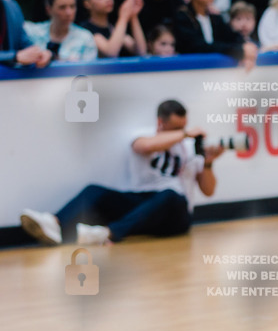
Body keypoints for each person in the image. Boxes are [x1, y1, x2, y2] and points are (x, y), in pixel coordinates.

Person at [19, 100, 223, 246]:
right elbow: (143, 147)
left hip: (175, 214)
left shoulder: (190, 146)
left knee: (170, 194)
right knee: (94, 190)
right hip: (141, 204)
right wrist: (184, 134)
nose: (182, 132)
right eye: (176, 128)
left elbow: (208, 190)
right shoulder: (144, 135)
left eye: (184, 127)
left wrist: (208, 163)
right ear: (160, 123)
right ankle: (54, 224)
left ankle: (108, 233)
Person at [173, 0, 258, 69]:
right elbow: (198, 47)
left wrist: (246, 47)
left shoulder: (215, 17)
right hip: (188, 70)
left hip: (214, 71)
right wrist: (238, 51)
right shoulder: (182, 17)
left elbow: (232, 37)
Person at [24, 0, 98, 63]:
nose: (69, 13)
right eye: (62, 7)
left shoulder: (85, 38)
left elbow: (89, 72)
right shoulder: (32, 32)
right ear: (48, 9)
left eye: (72, 6)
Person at [80, 0, 147, 57]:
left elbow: (141, 51)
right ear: (87, 3)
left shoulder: (112, 27)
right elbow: (111, 53)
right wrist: (123, 17)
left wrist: (133, 16)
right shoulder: (85, 29)